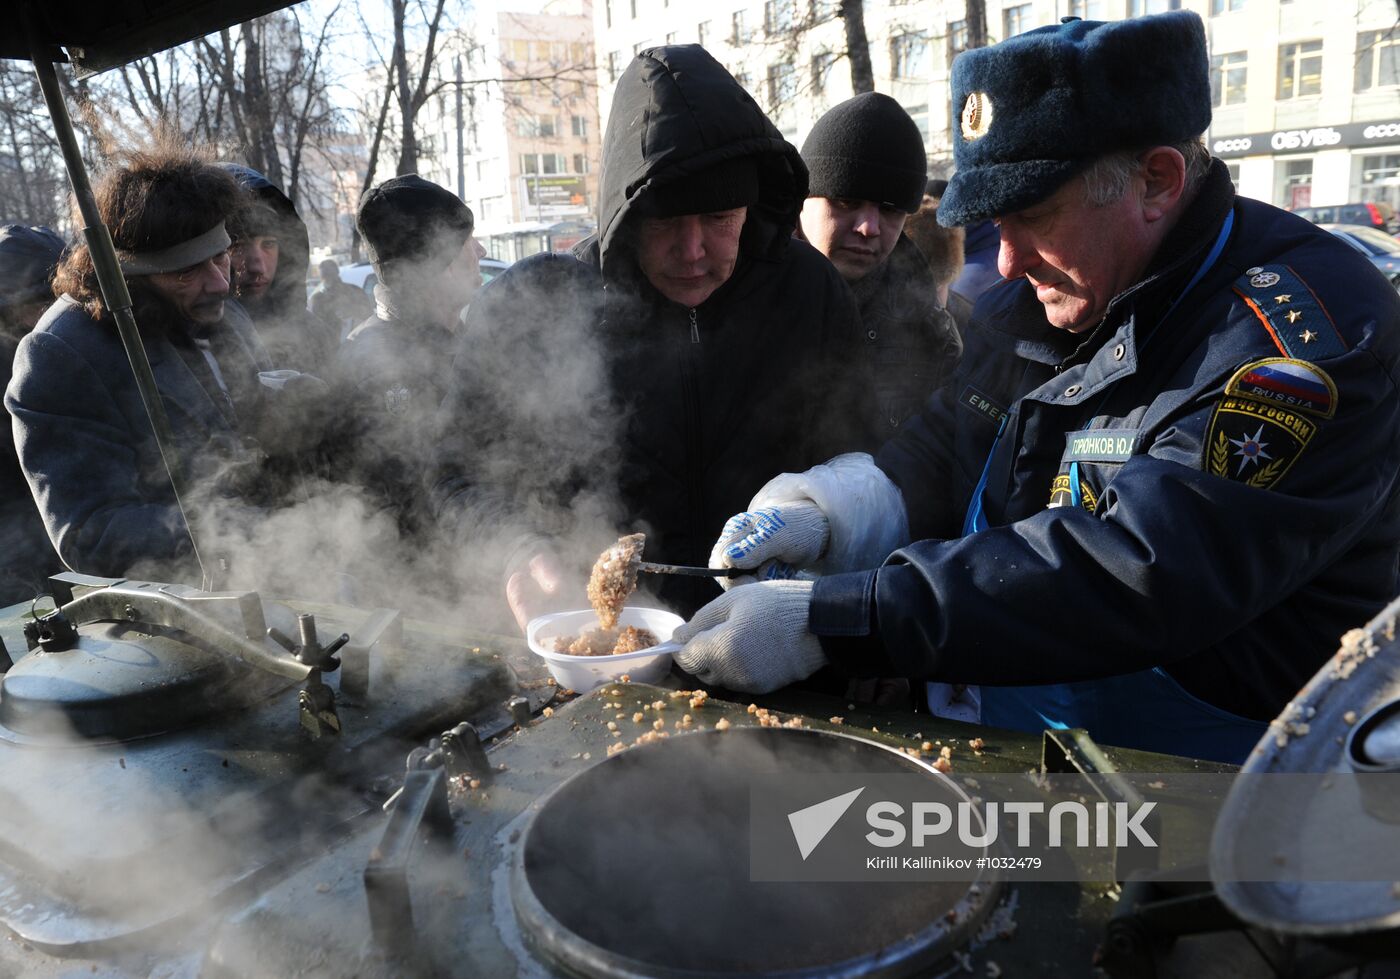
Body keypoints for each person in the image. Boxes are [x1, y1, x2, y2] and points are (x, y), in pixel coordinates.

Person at [671, 11, 1400, 764]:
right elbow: (949, 443)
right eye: (997, 220)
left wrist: (839, 620)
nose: (1007, 260)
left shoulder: (1302, 345)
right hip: (1015, 746)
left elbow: (1135, 569)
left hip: (1213, 781)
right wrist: (834, 510)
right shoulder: (1044, 297)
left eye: (1033, 214)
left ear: (1156, 181)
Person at [433, 44, 877, 628]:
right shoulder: (536, 308)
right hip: (599, 640)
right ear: (625, 214)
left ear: (751, 207)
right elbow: (456, 477)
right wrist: (515, 549)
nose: (692, 251)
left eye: (719, 219)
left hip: (777, 632)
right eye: (665, 220)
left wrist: (823, 526)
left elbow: (860, 460)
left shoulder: (809, 291)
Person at [6, 146, 275, 581]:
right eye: (186, 272)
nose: (220, 283)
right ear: (132, 275)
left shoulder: (227, 315)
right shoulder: (60, 354)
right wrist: (228, 528)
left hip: (283, 575)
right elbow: (90, 532)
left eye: (221, 256)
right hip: (184, 602)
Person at [797, 93, 962, 432]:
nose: (869, 228)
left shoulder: (929, 328)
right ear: (802, 200)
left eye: (890, 209)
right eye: (846, 201)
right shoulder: (736, 293)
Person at [330, 174, 484, 534]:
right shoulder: (371, 366)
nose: (480, 251)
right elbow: (400, 507)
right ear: (438, 261)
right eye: (467, 241)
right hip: (432, 566)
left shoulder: (465, 341)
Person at [222, 163, 339, 373]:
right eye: (238, 247)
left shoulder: (317, 335)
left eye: (268, 244)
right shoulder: (195, 347)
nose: (257, 266)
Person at [0, 225, 64, 602]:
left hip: (59, 535)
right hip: (16, 555)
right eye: (41, 304)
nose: (54, 314)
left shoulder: (69, 347)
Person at [310, 258, 371, 340]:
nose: (329, 280)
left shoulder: (354, 291)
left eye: (330, 275)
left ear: (337, 273)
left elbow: (368, 315)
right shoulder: (318, 299)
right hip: (332, 342)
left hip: (355, 339)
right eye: (326, 276)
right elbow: (315, 326)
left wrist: (353, 311)